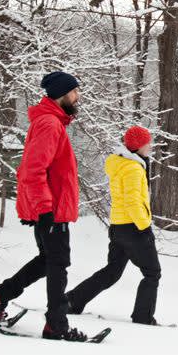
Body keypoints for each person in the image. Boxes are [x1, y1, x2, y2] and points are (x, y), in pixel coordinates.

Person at [0, 71, 89, 341]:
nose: (78, 96)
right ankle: (56, 325)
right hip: (51, 209)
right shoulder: (50, 124)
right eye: (74, 92)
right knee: (57, 263)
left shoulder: (52, 123)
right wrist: (45, 209)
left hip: (51, 208)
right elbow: (32, 169)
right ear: (63, 95)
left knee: (47, 262)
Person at [64, 125, 163, 326]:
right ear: (138, 146)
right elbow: (133, 202)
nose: (150, 146)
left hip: (118, 226)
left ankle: (72, 300)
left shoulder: (122, 164)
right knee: (152, 273)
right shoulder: (134, 169)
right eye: (147, 143)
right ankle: (143, 317)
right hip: (134, 227)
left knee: (112, 272)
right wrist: (145, 227)